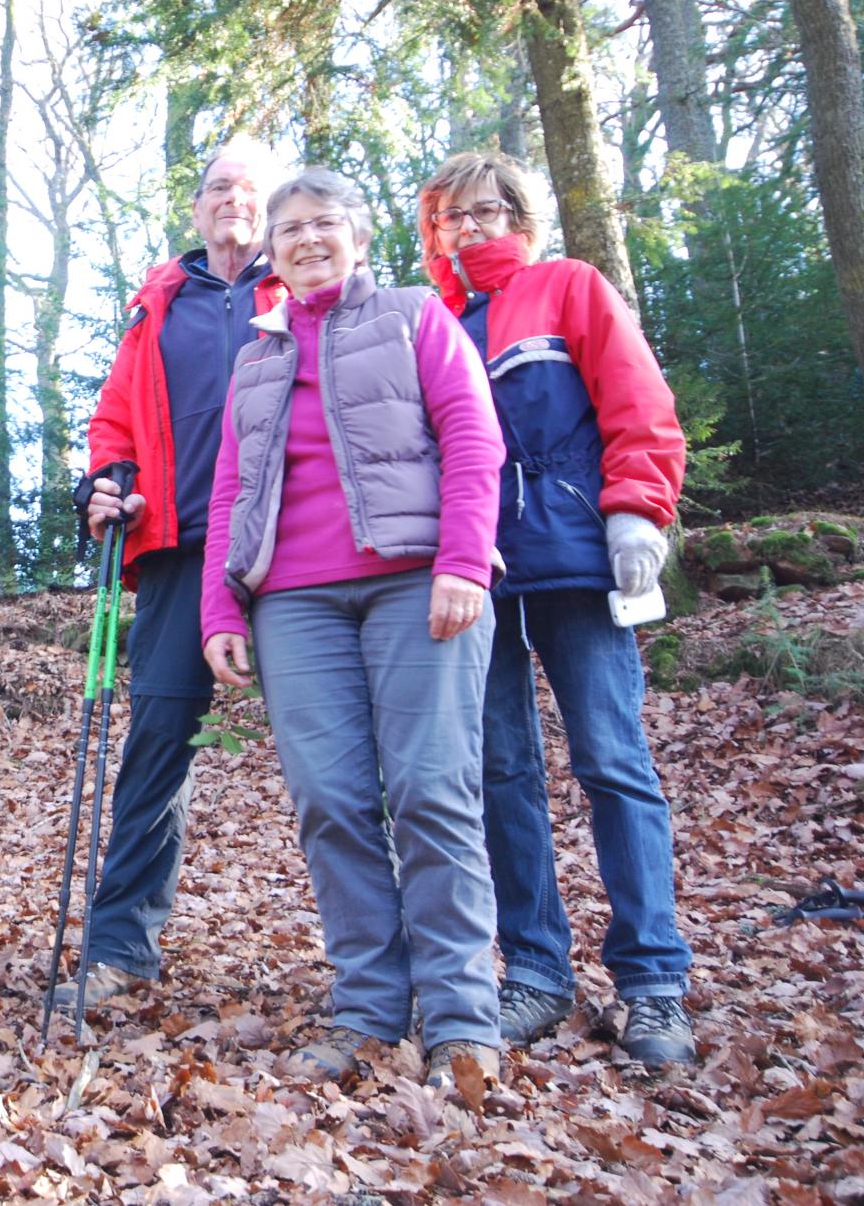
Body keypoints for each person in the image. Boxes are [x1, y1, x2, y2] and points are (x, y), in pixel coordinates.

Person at [198, 168, 507, 1087]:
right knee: (331, 802)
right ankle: (369, 1009)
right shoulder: (255, 356)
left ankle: (460, 1019)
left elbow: (473, 436)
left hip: (417, 584)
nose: (305, 241)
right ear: (273, 253)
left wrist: (461, 559)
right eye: (287, 230)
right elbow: (230, 492)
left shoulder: (415, 314)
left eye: (323, 224)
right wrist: (222, 604)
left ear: (358, 237)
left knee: (431, 792)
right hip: (293, 601)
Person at [418, 151, 694, 1066]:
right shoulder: (435, 320)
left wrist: (636, 513)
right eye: (455, 214)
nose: (473, 226)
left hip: (580, 561)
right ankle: (536, 970)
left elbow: (637, 401)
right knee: (500, 771)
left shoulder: (569, 287)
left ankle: (653, 983)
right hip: (473, 574)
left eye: (490, 209)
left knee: (613, 761)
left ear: (521, 217)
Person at [59, 137, 286, 1010]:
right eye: (219, 188)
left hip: (296, 549)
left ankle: (385, 959)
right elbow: (115, 422)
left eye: (249, 189)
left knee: (342, 749)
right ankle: (120, 948)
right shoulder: (159, 304)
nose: (234, 200)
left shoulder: (298, 286)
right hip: (182, 549)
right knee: (156, 744)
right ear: (196, 210)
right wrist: (105, 486)